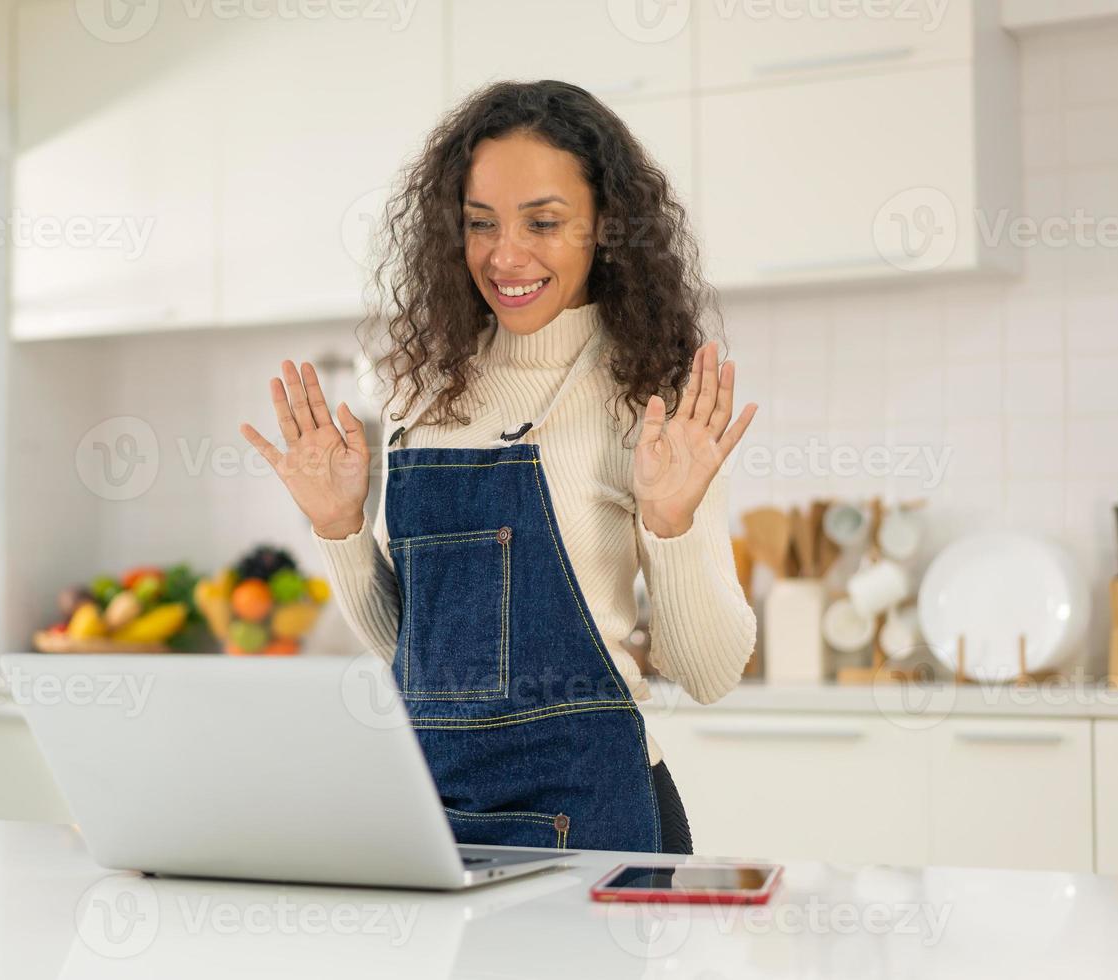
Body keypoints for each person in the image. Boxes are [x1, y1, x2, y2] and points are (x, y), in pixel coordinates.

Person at [241, 80, 757, 855]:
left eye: (543, 223)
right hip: (437, 821)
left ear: (606, 228)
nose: (505, 256)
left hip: (595, 822)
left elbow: (709, 672)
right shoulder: (426, 386)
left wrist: (672, 523)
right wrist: (339, 528)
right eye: (480, 224)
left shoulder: (648, 398)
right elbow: (415, 657)